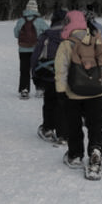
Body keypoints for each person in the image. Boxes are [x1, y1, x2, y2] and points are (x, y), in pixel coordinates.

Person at [55, 10, 102, 175]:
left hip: (73, 94)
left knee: (74, 126)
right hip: (96, 93)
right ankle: (96, 152)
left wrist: (61, 91)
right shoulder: (94, 39)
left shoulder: (66, 44)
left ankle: (75, 155)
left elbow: (60, 70)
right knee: (95, 126)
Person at [30, 9, 68, 145]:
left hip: (48, 76)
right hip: (65, 77)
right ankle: (63, 134)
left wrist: (34, 74)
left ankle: (48, 128)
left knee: (49, 103)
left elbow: (35, 57)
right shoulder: (69, 36)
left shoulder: (45, 36)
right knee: (62, 104)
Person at [13, 0, 48, 99]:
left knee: (24, 70)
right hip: (37, 49)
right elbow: (48, 32)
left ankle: (24, 90)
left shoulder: (20, 21)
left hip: (23, 49)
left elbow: (16, 34)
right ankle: (40, 89)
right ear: (36, 9)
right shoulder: (40, 21)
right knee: (38, 69)